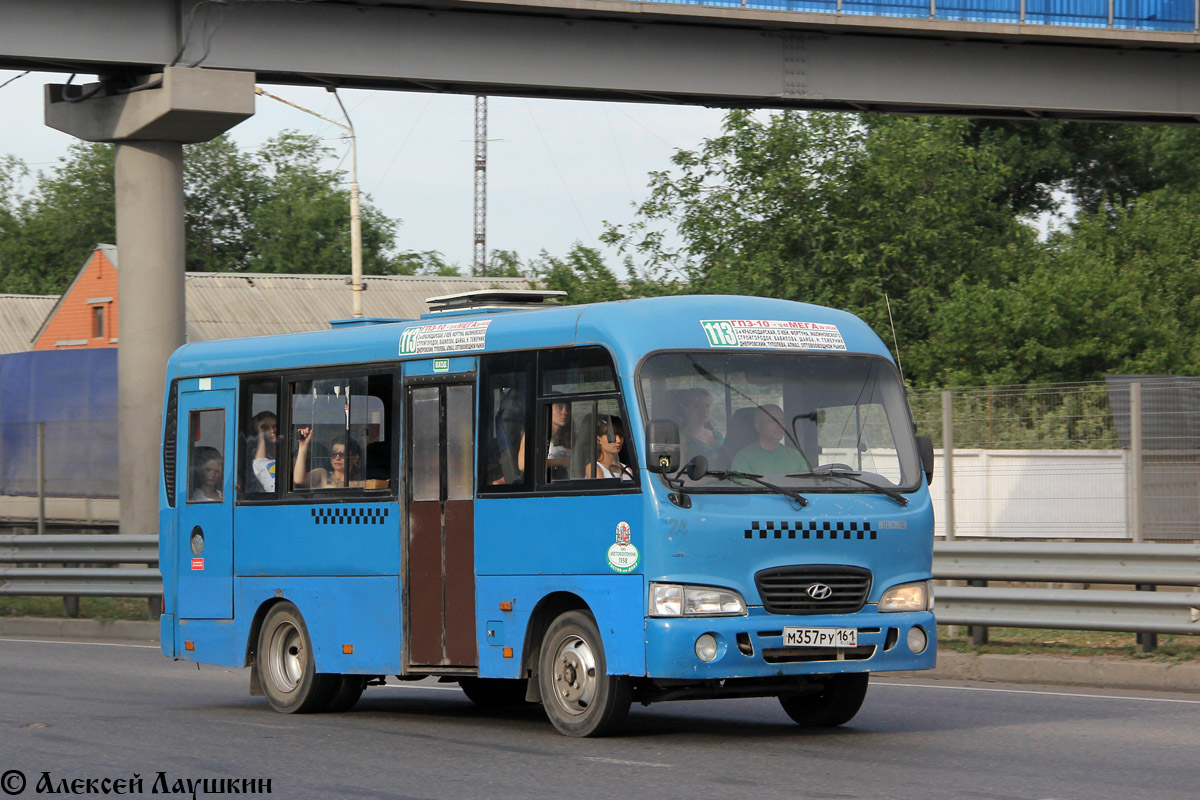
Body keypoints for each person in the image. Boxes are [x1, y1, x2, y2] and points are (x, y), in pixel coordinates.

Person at [731, 404, 811, 475]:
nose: (780, 425)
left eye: (782, 420)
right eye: (773, 420)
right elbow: (743, 490)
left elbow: (807, 485)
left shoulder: (796, 456)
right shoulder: (744, 458)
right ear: (758, 426)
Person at [294, 428, 360, 488]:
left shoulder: (360, 479)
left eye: (342, 454)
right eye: (334, 454)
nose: (337, 457)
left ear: (355, 458)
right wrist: (303, 446)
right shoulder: (323, 475)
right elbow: (298, 479)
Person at [678, 388, 723, 464]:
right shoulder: (681, 439)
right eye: (697, 406)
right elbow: (677, 472)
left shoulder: (720, 435)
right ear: (686, 409)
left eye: (707, 406)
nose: (704, 410)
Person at [585, 415, 634, 481]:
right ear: (599, 439)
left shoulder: (628, 469)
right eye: (612, 436)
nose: (619, 440)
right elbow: (601, 490)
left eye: (621, 435)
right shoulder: (594, 468)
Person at [250, 410, 278, 492]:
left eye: (275, 426)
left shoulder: (289, 451)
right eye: (265, 428)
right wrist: (261, 435)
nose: (272, 430)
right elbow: (259, 462)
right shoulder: (253, 454)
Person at [546, 401, 571, 480]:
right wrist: (561, 462)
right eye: (560, 408)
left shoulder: (571, 437)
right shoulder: (537, 434)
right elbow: (524, 464)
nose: (565, 412)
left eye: (568, 409)